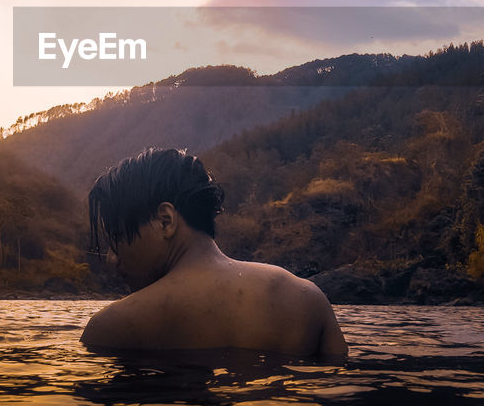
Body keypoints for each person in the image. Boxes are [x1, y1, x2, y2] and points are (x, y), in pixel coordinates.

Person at [81, 148, 348, 358]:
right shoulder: (308, 299)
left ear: (165, 221)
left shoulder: (113, 326)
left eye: (117, 237)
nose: (112, 259)